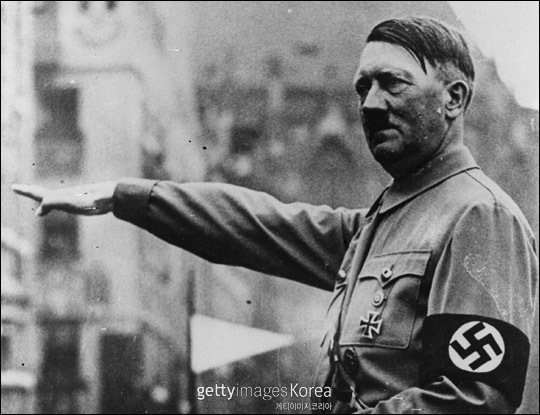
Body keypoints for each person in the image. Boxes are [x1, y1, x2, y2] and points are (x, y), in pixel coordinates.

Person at [13, 16, 537, 414]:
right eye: (363, 88)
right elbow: (261, 223)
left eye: (392, 84)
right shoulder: (387, 220)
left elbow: (472, 398)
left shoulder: (479, 216)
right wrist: (126, 196)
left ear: (454, 98)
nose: (370, 105)